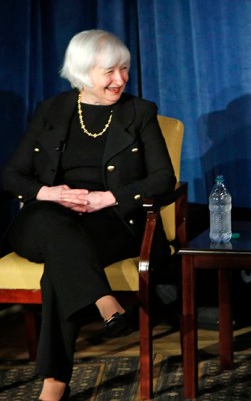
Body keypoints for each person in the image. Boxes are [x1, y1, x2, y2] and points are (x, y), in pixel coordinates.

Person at [1, 29, 175, 401]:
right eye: (110, 71)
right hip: (45, 217)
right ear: (82, 72)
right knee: (55, 225)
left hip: (109, 221)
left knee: (62, 266)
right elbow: (11, 175)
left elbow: (164, 179)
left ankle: (54, 384)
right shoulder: (53, 111)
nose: (121, 79)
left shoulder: (139, 112)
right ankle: (103, 300)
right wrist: (49, 192)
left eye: (125, 69)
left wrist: (108, 198)